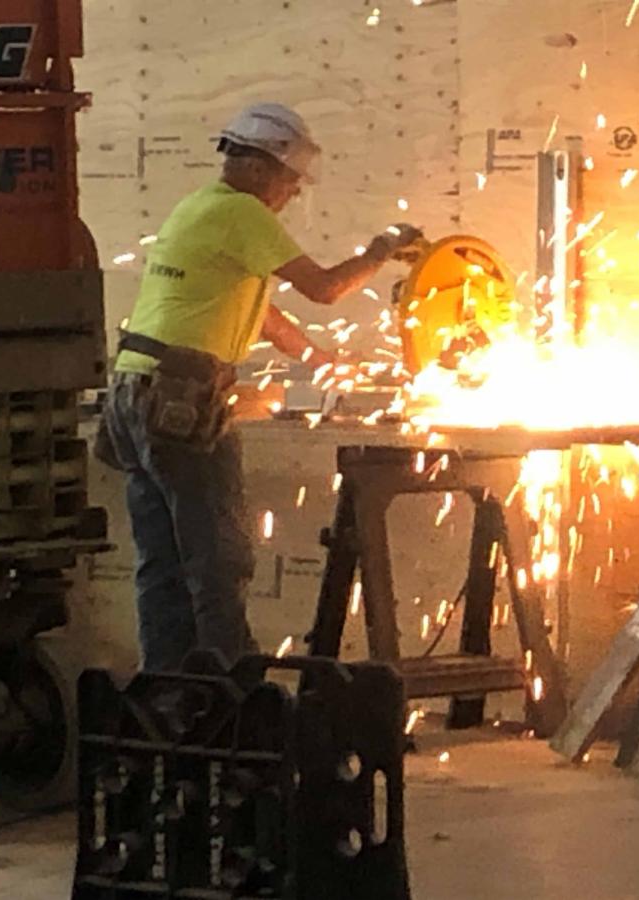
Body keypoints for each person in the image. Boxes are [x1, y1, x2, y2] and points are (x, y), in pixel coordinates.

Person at [99, 102, 424, 672]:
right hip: (179, 398)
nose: (293, 193)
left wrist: (318, 359)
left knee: (163, 560)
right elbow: (323, 289)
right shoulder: (243, 214)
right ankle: (231, 694)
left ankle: (170, 693)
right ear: (257, 167)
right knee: (220, 558)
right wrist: (381, 251)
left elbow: (257, 309)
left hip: (134, 391)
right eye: (289, 179)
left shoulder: (201, 207)